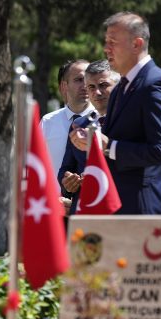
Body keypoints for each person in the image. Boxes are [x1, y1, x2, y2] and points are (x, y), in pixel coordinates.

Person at [71, 12, 161, 214]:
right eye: (106, 42)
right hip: (117, 205)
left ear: (136, 44)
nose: (106, 49)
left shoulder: (157, 84)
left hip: (142, 208)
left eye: (113, 42)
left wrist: (109, 146)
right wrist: (92, 141)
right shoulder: (122, 86)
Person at [58, 60, 120, 214]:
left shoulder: (129, 121)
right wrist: (68, 182)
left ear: (118, 86)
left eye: (103, 85)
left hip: (118, 208)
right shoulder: (79, 124)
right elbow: (66, 168)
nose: (97, 92)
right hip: (83, 211)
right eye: (91, 87)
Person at [41, 60, 94, 180]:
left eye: (88, 79)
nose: (85, 85)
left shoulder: (103, 121)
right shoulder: (47, 122)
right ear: (64, 86)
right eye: (79, 80)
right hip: (54, 197)